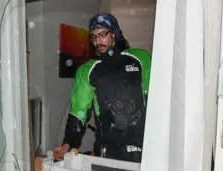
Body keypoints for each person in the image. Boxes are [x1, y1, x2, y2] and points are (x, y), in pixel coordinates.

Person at [53, 13, 151, 163]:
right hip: (107, 150)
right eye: (93, 37)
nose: (98, 41)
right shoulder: (86, 70)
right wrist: (68, 143)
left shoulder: (141, 59)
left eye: (102, 34)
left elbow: (156, 99)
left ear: (114, 33)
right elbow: (78, 112)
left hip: (144, 148)